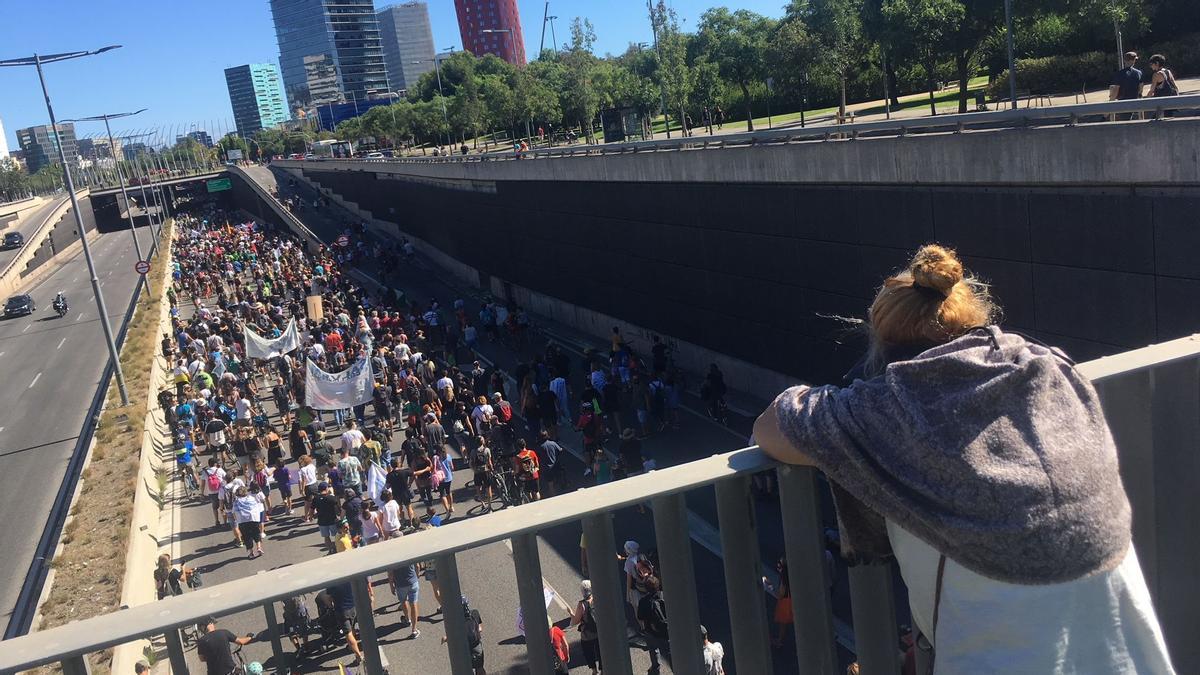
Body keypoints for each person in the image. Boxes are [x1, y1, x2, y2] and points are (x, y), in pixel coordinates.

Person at [753, 244, 1175, 673]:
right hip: (1129, 647)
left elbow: (770, 427)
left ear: (883, 343)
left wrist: (830, 404)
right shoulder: (1046, 368)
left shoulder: (888, 408)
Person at [442, 596, 486, 675]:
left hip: (463, 649)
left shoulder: (454, 620)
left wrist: (445, 638)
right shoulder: (474, 612)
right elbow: (480, 629)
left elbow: (452, 635)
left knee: (464, 669)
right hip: (476, 646)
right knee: (479, 668)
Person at [636, 576, 670, 672]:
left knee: (653, 649)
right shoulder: (664, 596)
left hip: (650, 631)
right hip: (666, 631)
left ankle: (656, 666)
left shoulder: (643, 601)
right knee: (669, 651)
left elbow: (640, 617)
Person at [571, 580, 601, 674]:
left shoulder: (582, 605)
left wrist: (571, 614)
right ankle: (603, 669)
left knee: (589, 652)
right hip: (599, 632)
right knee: (600, 651)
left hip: (587, 634)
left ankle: (594, 670)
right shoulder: (597, 599)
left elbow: (575, 621)